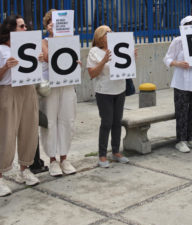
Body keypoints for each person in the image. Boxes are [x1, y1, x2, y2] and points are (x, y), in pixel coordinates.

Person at [0, 15, 41, 196]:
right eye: (21, 26)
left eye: (25, 26)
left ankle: (24, 169)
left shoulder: (31, 46)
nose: (25, 29)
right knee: (5, 133)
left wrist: (39, 60)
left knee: (29, 130)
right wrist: (5, 67)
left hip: (28, 90)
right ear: (11, 29)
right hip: (9, 90)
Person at [39, 9, 79, 176]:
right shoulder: (44, 41)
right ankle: (52, 160)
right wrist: (57, 37)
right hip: (50, 85)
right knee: (50, 122)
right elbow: (49, 57)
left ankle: (64, 157)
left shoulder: (70, 41)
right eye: (50, 22)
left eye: (56, 22)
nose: (53, 25)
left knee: (67, 120)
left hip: (67, 84)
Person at [164, 15, 192, 153]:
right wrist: (178, 63)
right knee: (182, 112)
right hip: (181, 82)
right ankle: (181, 140)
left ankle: (191, 138)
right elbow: (167, 58)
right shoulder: (178, 41)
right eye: (190, 24)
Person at [87, 25, 130, 168]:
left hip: (120, 89)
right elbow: (92, 73)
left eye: (112, 32)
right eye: (108, 33)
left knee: (117, 121)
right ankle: (102, 155)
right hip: (104, 91)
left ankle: (116, 151)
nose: (112, 34)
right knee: (106, 122)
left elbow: (125, 68)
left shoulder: (119, 47)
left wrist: (131, 58)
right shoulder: (94, 51)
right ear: (100, 37)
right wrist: (104, 60)